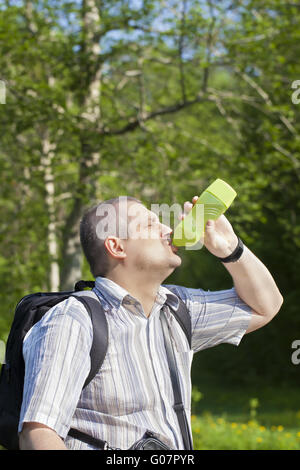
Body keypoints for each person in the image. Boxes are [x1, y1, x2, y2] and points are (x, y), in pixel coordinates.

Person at [18, 195, 283, 450]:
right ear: (117, 247)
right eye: (149, 224)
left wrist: (229, 248)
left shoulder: (179, 308)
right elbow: (39, 432)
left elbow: (265, 306)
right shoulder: (73, 320)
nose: (167, 228)